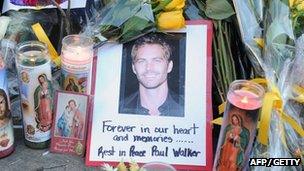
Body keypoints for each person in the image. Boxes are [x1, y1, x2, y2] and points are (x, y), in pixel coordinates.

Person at [120, 34, 184, 117]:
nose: (149, 68)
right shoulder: (119, 109)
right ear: (134, 68)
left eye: (157, 61)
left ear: (169, 66)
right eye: (141, 61)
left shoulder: (186, 109)